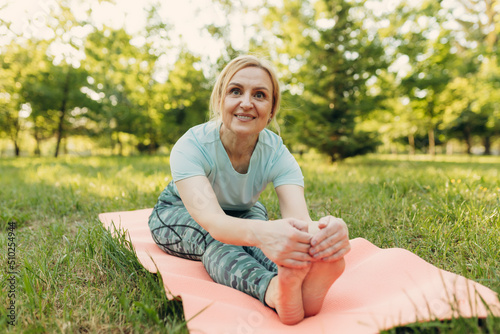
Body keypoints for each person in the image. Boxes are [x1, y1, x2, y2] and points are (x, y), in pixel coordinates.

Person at [148, 55, 351, 325]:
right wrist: (265, 233)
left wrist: (325, 235)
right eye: (235, 91)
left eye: (259, 95)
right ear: (221, 100)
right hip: (179, 211)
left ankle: (299, 284)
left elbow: (300, 221)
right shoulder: (191, 146)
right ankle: (273, 290)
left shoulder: (277, 153)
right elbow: (216, 223)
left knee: (267, 237)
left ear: (271, 109)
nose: (246, 103)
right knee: (220, 238)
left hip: (245, 211)